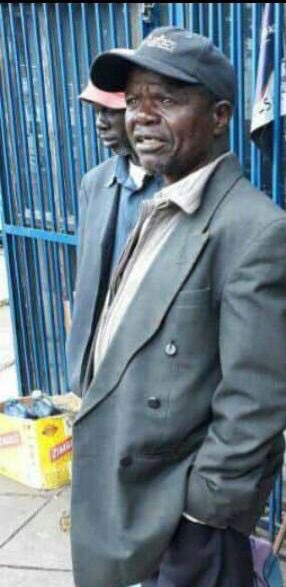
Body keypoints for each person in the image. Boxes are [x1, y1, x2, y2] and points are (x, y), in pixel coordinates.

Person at [69, 27, 286, 587]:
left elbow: (258, 395)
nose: (142, 116)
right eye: (136, 99)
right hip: (144, 488)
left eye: (166, 100)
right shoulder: (158, 203)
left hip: (187, 501)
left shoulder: (253, 229)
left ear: (220, 115)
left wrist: (203, 506)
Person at [67, 82, 160, 394]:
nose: (100, 122)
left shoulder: (176, 184)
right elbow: (86, 272)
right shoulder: (94, 183)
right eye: (97, 112)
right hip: (100, 353)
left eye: (110, 111)